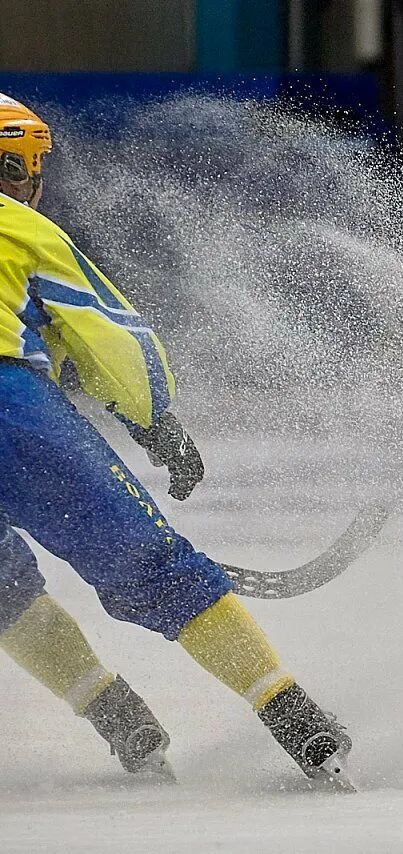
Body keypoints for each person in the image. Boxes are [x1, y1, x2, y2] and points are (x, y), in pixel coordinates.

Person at [0, 93, 352, 785]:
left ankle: (116, 716)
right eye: (22, 167)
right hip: (11, 414)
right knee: (151, 568)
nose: (28, 185)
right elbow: (110, 334)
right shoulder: (17, 227)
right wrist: (156, 422)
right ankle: (296, 718)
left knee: (3, 592)